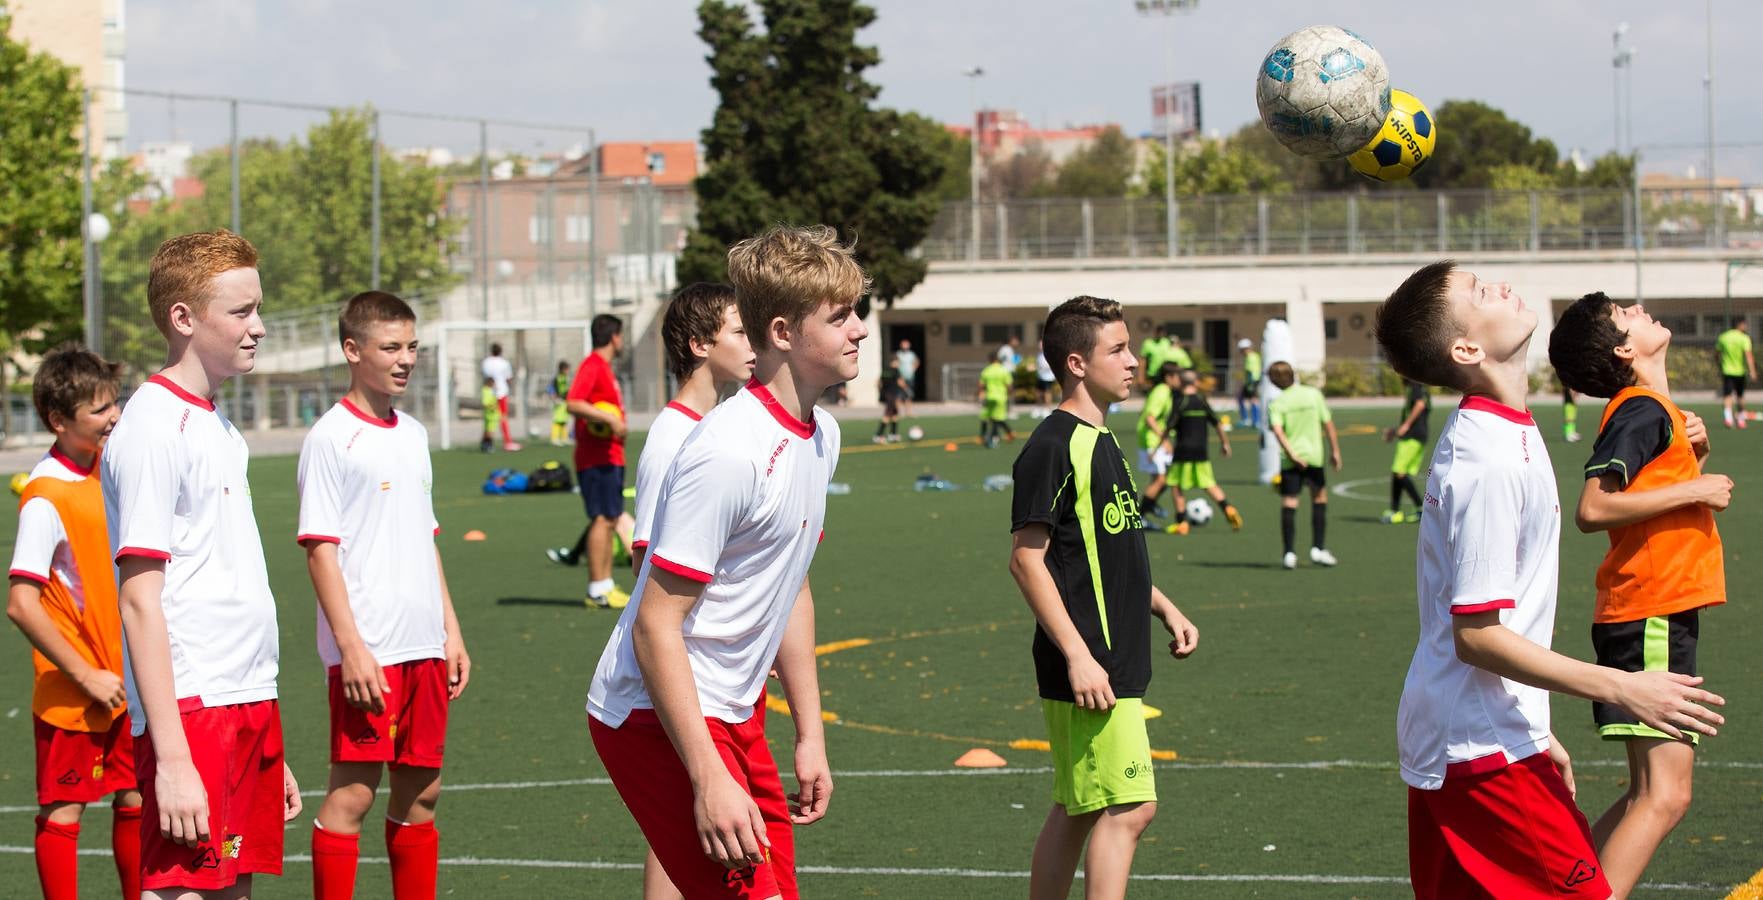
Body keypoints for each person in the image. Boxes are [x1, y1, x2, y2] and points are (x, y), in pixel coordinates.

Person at [1376, 260, 1723, 898]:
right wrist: (1626, 686)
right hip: (1479, 749)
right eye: (1481, 292)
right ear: (1467, 347)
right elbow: (1475, 636)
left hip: (1483, 735)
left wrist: (1535, 728)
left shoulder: (1506, 428)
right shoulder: (1489, 460)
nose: (1502, 285)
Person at [587, 224, 863, 899]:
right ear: (782, 332)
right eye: (840, 316)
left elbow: (789, 588)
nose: (859, 329)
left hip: (735, 711)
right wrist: (708, 776)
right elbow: (655, 624)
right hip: (652, 715)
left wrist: (808, 733)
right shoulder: (728, 450)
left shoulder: (819, 437)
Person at [101, 230, 302, 897]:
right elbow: (139, 600)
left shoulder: (216, 424)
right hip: (192, 706)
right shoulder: (153, 428)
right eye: (241, 312)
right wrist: (174, 759)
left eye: (257, 309)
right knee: (182, 889)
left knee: (232, 887)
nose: (259, 327)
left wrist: (265, 729)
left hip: (242, 698)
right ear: (184, 318)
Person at [1008, 295, 1200, 900]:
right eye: (1117, 350)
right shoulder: (1053, 445)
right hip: (1093, 662)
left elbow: (1110, 551)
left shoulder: (1105, 440)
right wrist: (1078, 655)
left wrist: (1163, 606)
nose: (1134, 361)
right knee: (1130, 809)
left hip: (1113, 655)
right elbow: (1027, 559)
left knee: (1080, 806)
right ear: (1077, 363)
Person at [1549, 291, 1733, 898]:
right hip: (1650, 608)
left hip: (1655, 608)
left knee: (1648, 795)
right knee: (1665, 795)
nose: (1640, 309)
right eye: (1626, 314)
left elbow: (1646, 491)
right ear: (1625, 349)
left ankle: (1563, 890)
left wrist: (1690, 456)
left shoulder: (1655, 411)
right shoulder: (1641, 411)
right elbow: (1595, 507)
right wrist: (1695, 489)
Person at [299, 292, 472, 900]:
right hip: (369, 648)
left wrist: (450, 631)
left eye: (412, 347)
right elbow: (320, 551)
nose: (406, 359)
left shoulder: (415, 434)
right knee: (352, 796)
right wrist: (352, 649)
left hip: (423, 643)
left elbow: (425, 538)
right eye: (390, 347)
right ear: (353, 350)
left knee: (423, 794)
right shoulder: (330, 439)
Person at [626, 281, 755, 900]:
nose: (754, 343)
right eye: (740, 331)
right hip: (687, 672)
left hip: (716, 667)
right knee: (685, 828)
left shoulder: (720, 425)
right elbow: (648, 563)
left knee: (688, 827)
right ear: (701, 345)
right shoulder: (677, 439)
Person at [7, 346, 142, 900]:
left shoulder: (109, 471)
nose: (114, 416)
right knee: (63, 812)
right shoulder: (45, 496)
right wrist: (86, 675)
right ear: (59, 422)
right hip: (76, 689)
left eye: (115, 403)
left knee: (136, 798)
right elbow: (22, 603)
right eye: (99, 410)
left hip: (129, 679)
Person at [566, 315, 630, 609]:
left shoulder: (603, 368)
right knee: (602, 519)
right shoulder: (592, 364)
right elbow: (573, 402)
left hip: (611, 456)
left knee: (612, 518)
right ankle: (596, 588)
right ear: (614, 337)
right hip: (595, 458)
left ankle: (605, 584)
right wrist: (609, 418)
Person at [1266, 362, 1341, 569]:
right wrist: (1335, 451)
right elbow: (1328, 424)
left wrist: (1292, 454)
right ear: (1294, 375)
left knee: (1290, 502)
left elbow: (1278, 431)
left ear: (1273, 381)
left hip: (1291, 461)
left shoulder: (1277, 403)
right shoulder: (1313, 395)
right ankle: (1318, 549)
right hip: (1314, 457)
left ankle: (1289, 553)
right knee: (1319, 498)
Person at [1159, 369, 1241, 534]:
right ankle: (1228, 508)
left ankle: (1182, 522)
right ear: (1195, 383)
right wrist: (1225, 443)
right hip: (1201, 451)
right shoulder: (1202, 401)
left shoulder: (1180, 401)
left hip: (1182, 451)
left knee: (1175, 485)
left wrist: (1160, 445)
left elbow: (1168, 427)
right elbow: (1217, 423)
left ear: (1181, 383)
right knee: (1209, 484)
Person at [1134, 363, 1180, 522]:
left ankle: (1148, 506)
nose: (1180, 380)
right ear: (1169, 377)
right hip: (1152, 440)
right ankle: (1140, 515)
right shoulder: (1162, 391)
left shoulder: (1164, 391)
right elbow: (1149, 418)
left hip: (1153, 439)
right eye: (1177, 376)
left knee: (1162, 479)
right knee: (1162, 479)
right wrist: (1164, 440)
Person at [1381, 378, 1431, 524]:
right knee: (1399, 473)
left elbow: (1420, 404)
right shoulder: (1419, 387)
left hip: (1412, 437)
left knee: (1399, 472)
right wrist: (1396, 430)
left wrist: (1405, 426)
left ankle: (1417, 508)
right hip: (1418, 436)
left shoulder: (1415, 385)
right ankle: (1397, 510)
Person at [1715, 317, 1755, 428]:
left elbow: (1717, 354)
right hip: (1740, 372)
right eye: (1745, 324)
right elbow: (1748, 356)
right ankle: (1741, 420)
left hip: (1727, 371)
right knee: (1740, 396)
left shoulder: (1723, 337)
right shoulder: (1744, 338)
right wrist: (1752, 371)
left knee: (1727, 395)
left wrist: (1719, 365)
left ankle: (1728, 419)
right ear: (1740, 325)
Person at [481, 343, 520, 451]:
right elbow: (508, 378)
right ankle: (507, 442)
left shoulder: (486, 362)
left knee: (488, 420)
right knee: (503, 418)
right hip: (501, 393)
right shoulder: (504, 363)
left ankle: (485, 442)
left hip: (488, 392)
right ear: (501, 351)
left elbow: (484, 375)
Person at [977, 351, 1015, 447]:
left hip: (989, 397)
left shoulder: (986, 370)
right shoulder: (1003, 370)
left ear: (989, 360)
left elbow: (981, 386)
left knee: (984, 417)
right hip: (1001, 398)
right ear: (998, 359)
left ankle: (984, 437)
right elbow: (1009, 385)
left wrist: (980, 395)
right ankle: (1005, 434)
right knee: (997, 418)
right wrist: (1010, 394)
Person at [875, 364, 907, 444]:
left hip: (886, 394)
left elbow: (878, 382)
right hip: (893, 395)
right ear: (896, 361)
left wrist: (881, 392)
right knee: (887, 415)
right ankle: (878, 435)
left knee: (894, 414)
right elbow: (900, 382)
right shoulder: (896, 370)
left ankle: (893, 434)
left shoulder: (885, 370)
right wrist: (906, 390)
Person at [1236, 338, 1263, 430]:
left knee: (1253, 400)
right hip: (1252, 381)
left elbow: (1250, 371)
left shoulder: (1250, 357)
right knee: (1243, 398)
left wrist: (1250, 384)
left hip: (1252, 381)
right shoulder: (1254, 356)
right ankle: (1252, 420)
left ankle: (1253, 420)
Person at [1137, 325, 1171, 389]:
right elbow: (1142, 362)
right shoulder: (1148, 343)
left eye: (1162, 332)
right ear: (1155, 332)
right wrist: (1141, 378)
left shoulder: (1167, 342)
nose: (1160, 334)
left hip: (1164, 374)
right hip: (1152, 375)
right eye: (1158, 332)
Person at [893, 338, 918, 419]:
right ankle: (898, 413)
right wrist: (899, 377)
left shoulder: (912, 354)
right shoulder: (898, 354)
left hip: (910, 377)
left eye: (906, 344)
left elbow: (916, 362)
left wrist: (913, 369)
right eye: (903, 344)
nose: (905, 346)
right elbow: (894, 364)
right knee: (899, 396)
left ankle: (909, 413)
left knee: (909, 395)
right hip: (901, 378)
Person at [549, 360, 572, 446]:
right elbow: (551, 389)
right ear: (562, 369)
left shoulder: (565, 378)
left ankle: (564, 438)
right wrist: (554, 398)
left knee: (564, 420)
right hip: (558, 401)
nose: (567, 371)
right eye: (566, 369)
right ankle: (554, 438)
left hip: (565, 401)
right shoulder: (557, 378)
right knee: (557, 420)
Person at [1034, 340, 1056, 416]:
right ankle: (1038, 408)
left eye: (1041, 345)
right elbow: (1038, 365)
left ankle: (1047, 409)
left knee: (1047, 393)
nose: (1039, 347)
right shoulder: (1039, 355)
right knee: (1038, 392)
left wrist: (1035, 368)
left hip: (1048, 377)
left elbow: (1047, 366)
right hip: (1040, 376)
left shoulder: (1049, 354)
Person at [478, 376, 499, 454]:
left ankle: (484, 445)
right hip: (491, 415)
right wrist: (492, 407)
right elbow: (485, 403)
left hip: (491, 414)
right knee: (490, 431)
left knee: (487, 430)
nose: (494, 384)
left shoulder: (490, 390)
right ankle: (488, 445)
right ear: (490, 383)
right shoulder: (486, 391)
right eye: (493, 383)